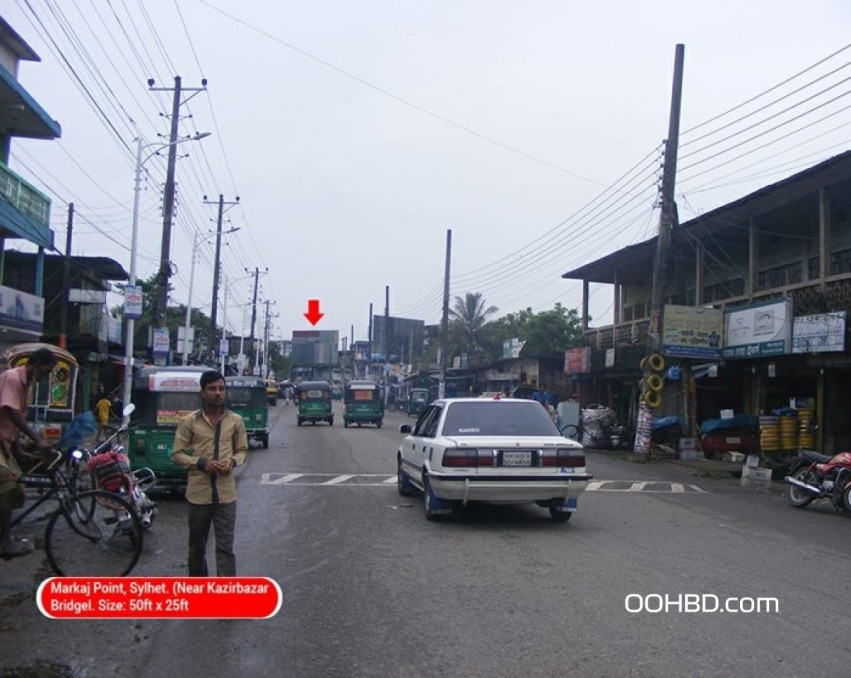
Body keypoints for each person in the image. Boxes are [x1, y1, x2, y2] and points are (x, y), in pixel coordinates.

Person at [171, 370, 248, 576]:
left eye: (221, 389)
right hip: (198, 496)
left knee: (225, 549)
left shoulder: (235, 421)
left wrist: (232, 462)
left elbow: (242, 451)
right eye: (212, 389)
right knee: (196, 549)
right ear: (202, 392)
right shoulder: (189, 421)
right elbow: (177, 454)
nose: (217, 393)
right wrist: (200, 463)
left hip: (226, 496)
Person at [0, 347, 57, 559]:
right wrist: (37, 440)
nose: (46, 376)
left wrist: (20, 450)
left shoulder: (26, 386)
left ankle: (4, 532)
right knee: (6, 482)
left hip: (5, 444)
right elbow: (11, 412)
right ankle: (4, 543)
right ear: (36, 364)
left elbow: (10, 424)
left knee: (18, 489)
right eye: (46, 370)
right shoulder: (12, 378)